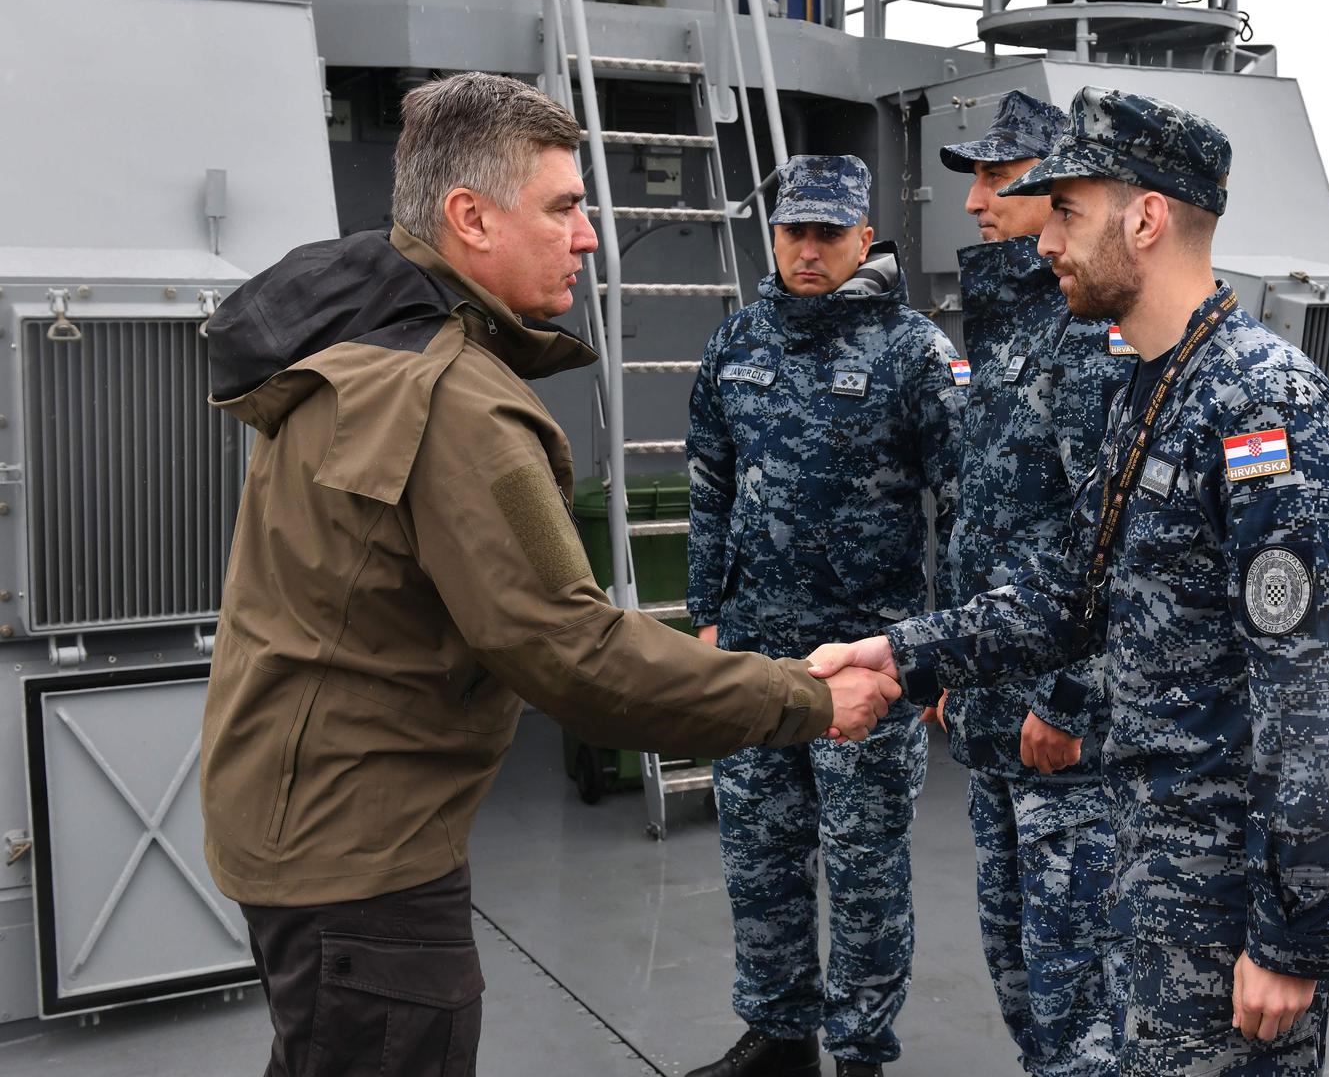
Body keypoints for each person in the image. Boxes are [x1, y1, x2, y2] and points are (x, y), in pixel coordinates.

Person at [199, 73, 899, 1077]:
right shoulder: (452, 400)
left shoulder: (362, 326)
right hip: (360, 857)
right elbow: (574, 655)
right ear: (470, 219)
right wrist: (804, 698)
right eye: (565, 208)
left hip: (300, 816)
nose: (588, 237)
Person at [808, 87, 1329, 1075]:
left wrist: (1293, 937)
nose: (1045, 244)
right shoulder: (1152, 392)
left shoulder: (1261, 403)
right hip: (1132, 867)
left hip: (1215, 902)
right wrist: (901, 653)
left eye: (1068, 213)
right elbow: (1063, 599)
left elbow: (1327, 695)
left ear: (1147, 218)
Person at [684, 154, 965, 1077]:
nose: (808, 250)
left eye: (827, 234)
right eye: (793, 231)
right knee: (759, 858)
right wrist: (707, 616)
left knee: (865, 869)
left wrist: (940, 655)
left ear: (863, 237)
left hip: (868, 663)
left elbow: (959, 505)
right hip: (755, 657)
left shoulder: (914, 350)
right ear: (774, 235)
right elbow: (710, 484)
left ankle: (858, 1055)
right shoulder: (737, 342)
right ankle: (778, 1035)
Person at [938, 89, 1131, 1076]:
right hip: (995, 715)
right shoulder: (1004, 331)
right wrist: (952, 668)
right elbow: (979, 520)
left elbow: (1112, 537)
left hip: (1059, 735)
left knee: (1079, 991)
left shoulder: (1084, 335)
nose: (975, 202)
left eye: (993, 178)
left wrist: (1066, 701)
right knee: (1018, 971)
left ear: (1056, 194)